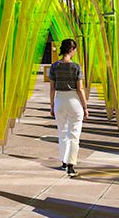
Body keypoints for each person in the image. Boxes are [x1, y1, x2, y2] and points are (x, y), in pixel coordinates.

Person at [48, 38, 88, 177]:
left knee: (62, 132)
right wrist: (85, 107)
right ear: (71, 50)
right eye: (75, 49)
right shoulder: (76, 67)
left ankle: (64, 162)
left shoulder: (54, 66)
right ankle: (71, 165)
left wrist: (52, 106)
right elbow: (80, 88)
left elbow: (52, 89)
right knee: (74, 134)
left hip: (59, 99)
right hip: (74, 101)